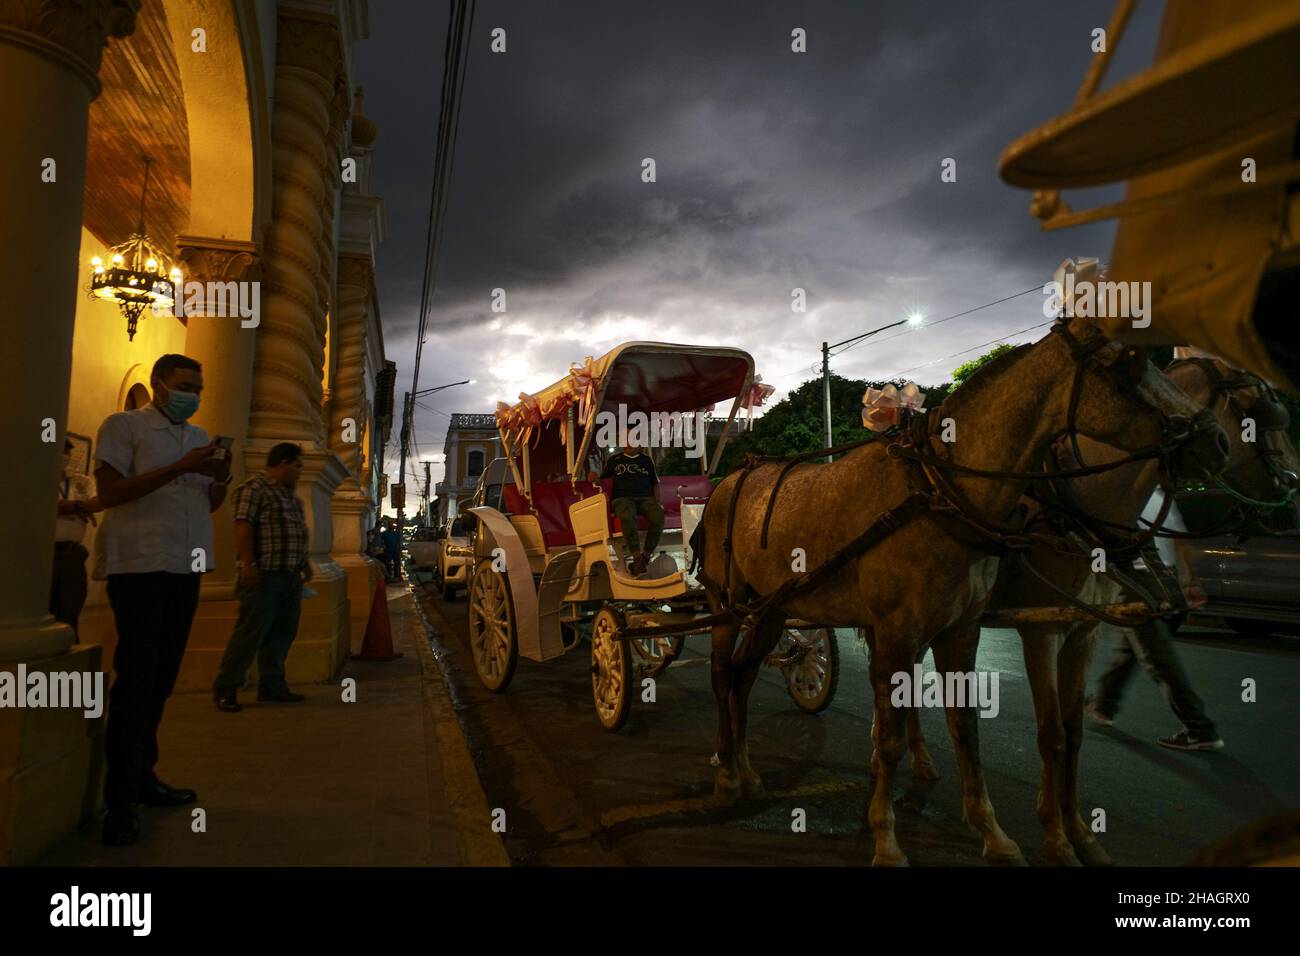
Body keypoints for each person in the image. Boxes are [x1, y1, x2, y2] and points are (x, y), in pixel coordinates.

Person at [93, 353, 230, 846]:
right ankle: (119, 801)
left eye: (198, 386)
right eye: (184, 385)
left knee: (163, 679)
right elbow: (109, 493)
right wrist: (180, 468)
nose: (192, 394)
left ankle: (145, 775)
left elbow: (206, 502)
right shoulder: (124, 426)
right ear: (158, 385)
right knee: (136, 678)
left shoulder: (198, 438)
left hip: (186, 566)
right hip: (140, 565)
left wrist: (218, 477)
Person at [1086, 487, 1225, 751]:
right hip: (1167, 579)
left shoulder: (1125, 495)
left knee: (1157, 657)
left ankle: (1200, 728)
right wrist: (1190, 581)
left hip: (1139, 581)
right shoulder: (1162, 498)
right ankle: (1104, 705)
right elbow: (1180, 541)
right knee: (1131, 648)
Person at [213, 442, 311, 712]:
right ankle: (227, 687)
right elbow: (243, 526)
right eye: (296, 466)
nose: (299, 472)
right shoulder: (254, 488)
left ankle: (272, 685)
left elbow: (296, 533)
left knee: (281, 634)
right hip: (264, 575)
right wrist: (248, 564)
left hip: (289, 576)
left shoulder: (291, 497)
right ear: (282, 462)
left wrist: (303, 563)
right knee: (250, 633)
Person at [588, 445, 664, 577]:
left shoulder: (646, 460)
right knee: (627, 515)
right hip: (622, 498)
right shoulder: (615, 459)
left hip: (646, 498)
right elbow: (602, 480)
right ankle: (636, 558)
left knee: (658, 517)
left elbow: (655, 482)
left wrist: (657, 502)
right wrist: (594, 477)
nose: (629, 443)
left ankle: (645, 556)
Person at [51, 438, 101, 638]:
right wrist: (77, 507)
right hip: (42, 556)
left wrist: (69, 507)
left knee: (69, 614)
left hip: (72, 556)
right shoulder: (35, 480)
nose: (65, 456)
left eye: (67, 452)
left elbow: (97, 503)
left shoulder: (81, 482)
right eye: (60, 451)